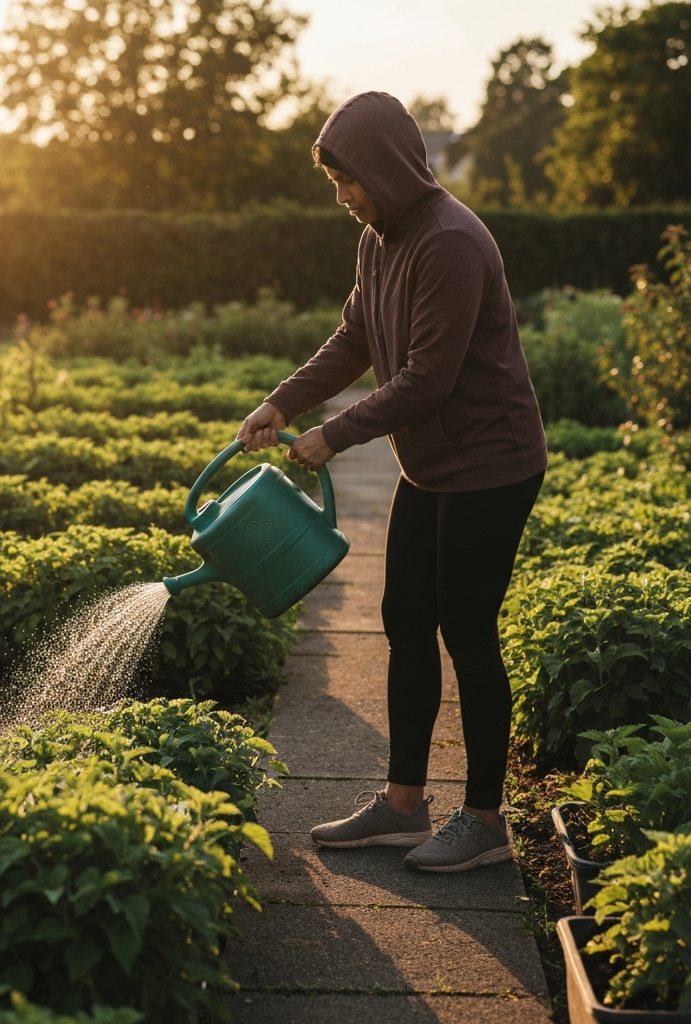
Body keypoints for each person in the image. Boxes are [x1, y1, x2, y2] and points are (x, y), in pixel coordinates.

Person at [236, 91, 547, 874]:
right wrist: (282, 401)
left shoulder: (450, 242)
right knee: (406, 618)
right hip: (434, 464)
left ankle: (485, 822)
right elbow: (355, 336)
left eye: (348, 181)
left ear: (385, 167)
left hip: (492, 462)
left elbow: (427, 380)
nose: (342, 198)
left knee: (467, 631)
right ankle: (403, 806)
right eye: (334, 183)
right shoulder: (381, 237)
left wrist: (333, 435)